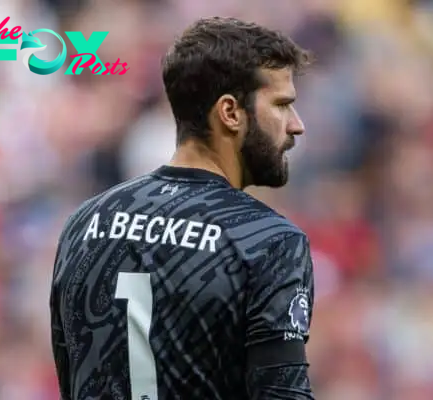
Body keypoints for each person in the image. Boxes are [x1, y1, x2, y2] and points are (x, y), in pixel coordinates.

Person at [50, 16, 315, 399]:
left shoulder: (84, 222)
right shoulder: (267, 241)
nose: (296, 125)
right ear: (230, 112)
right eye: (282, 105)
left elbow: (70, 379)